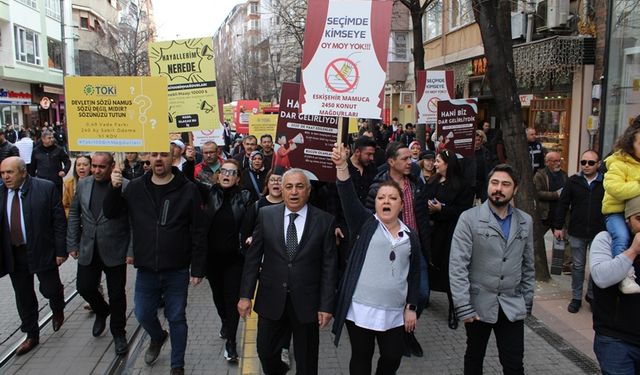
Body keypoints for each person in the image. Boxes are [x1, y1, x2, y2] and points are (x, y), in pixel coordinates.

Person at [104, 146, 206, 375]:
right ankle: (158, 337)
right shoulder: (137, 187)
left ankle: (177, 365)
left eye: (164, 154)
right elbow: (111, 213)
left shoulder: (188, 189)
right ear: (147, 158)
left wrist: (197, 267)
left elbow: (199, 230)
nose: (158, 159)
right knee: (142, 313)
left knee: (177, 316)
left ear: (173, 158)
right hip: (147, 268)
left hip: (177, 268)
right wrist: (114, 187)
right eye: (154, 154)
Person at [331, 143, 423, 375]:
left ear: (401, 204)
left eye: (392, 198)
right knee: (361, 358)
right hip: (361, 309)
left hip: (394, 312)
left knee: (392, 357)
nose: (386, 201)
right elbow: (348, 195)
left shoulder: (410, 236)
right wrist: (342, 165)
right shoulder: (365, 223)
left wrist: (411, 307)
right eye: (381, 197)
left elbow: (413, 274)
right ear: (376, 202)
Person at [238, 168, 338, 375]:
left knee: (307, 362)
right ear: (281, 190)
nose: (294, 192)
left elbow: (329, 266)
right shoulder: (266, 215)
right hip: (271, 299)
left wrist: (326, 305)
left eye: (300, 187)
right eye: (289, 186)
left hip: (307, 303)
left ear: (308, 191)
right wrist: (245, 296)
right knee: (265, 353)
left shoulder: (324, 221)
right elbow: (252, 259)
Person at [449, 164, 535, 375]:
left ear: (514, 190)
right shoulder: (469, 218)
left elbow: (528, 264)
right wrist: (463, 305)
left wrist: (527, 300)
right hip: (478, 305)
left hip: (512, 304)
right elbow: (458, 265)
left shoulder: (525, 221)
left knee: (514, 363)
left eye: (506, 184)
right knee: (474, 357)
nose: (499, 188)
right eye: (494, 183)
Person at [366, 141, 430, 357]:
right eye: (404, 158)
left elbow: (422, 216)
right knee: (398, 294)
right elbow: (369, 220)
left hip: (416, 247)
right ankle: (399, 335)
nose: (410, 162)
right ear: (391, 162)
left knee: (421, 294)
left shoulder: (415, 184)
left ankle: (407, 329)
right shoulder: (378, 187)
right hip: (391, 251)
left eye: (411, 158)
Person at [0, 157, 67, 355]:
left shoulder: (45, 188)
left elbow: (58, 222)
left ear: (23, 172)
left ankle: (57, 306)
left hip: (41, 249)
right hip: (14, 253)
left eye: (9, 172)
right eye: (2, 173)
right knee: (23, 296)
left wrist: (60, 251)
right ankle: (31, 334)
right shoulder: (1, 192)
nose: (5, 177)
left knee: (50, 288)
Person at [66, 152, 131, 355]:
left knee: (117, 294)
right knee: (84, 287)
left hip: (115, 249)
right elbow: (75, 212)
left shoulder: (126, 185)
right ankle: (102, 310)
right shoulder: (84, 184)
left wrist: (131, 250)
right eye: (94, 166)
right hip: (88, 248)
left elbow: (133, 220)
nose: (95, 170)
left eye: (101, 167)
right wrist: (72, 243)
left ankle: (118, 332)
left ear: (112, 166)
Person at [202, 159, 252, 362]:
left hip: (235, 259)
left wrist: (252, 236)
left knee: (232, 300)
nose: (227, 175)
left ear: (238, 178)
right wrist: (188, 161)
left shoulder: (246, 196)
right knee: (218, 296)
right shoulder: (208, 192)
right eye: (224, 171)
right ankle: (224, 320)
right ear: (218, 174)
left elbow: (255, 218)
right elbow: (185, 181)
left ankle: (230, 342)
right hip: (212, 259)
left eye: (232, 172)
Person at [590, 195, 640, 374]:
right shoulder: (606, 239)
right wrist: (633, 251)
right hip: (615, 339)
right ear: (627, 219)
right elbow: (601, 278)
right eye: (639, 219)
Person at [425, 149, 475, 330]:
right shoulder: (433, 181)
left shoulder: (463, 186)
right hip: (433, 232)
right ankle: (426, 297)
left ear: (448, 164)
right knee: (431, 266)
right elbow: (424, 198)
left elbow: (464, 211)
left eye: (438, 161)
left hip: (451, 234)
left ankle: (454, 309)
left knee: (449, 271)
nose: (435, 164)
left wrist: (442, 210)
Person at [552, 150, 605, 312]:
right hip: (577, 231)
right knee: (578, 267)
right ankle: (576, 297)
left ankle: (591, 296)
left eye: (590, 162)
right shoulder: (573, 181)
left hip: (599, 233)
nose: (586, 166)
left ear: (598, 164)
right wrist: (558, 226)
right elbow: (563, 204)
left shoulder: (606, 182)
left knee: (596, 267)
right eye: (583, 162)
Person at [601, 116, 640, 293]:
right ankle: (624, 275)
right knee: (622, 237)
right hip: (616, 211)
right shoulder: (617, 162)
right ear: (630, 144)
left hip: (635, 213)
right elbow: (615, 188)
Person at [534, 151, 569, 272]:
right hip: (545, 213)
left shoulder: (564, 175)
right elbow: (537, 193)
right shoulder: (540, 175)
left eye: (559, 160)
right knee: (536, 238)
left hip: (559, 213)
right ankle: (533, 261)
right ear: (547, 162)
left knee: (562, 239)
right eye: (555, 161)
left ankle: (564, 265)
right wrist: (555, 195)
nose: (558, 163)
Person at [30, 130, 71, 198]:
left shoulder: (58, 149)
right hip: (42, 182)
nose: (52, 139)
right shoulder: (36, 151)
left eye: (52, 137)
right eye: (49, 138)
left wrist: (64, 171)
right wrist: (32, 180)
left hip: (56, 181)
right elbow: (32, 167)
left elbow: (67, 161)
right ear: (43, 139)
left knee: (57, 200)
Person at [474, 129, 498, 202]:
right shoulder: (468, 153)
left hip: (484, 182)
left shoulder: (486, 152)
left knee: (485, 201)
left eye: (479, 140)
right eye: (475, 140)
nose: (477, 142)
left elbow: (490, 164)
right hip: (473, 183)